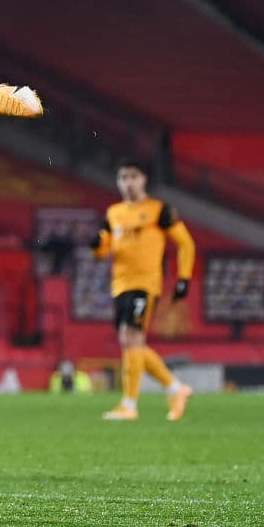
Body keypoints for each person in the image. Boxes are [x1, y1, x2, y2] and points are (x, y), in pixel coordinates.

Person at [90, 158, 195, 421]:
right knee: (131, 343)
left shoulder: (158, 210)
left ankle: (130, 405)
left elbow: (186, 243)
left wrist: (184, 278)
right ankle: (176, 388)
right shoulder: (114, 213)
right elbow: (103, 252)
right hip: (120, 284)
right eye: (123, 178)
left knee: (131, 338)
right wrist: (97, 246)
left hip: (145, 284)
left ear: (144, 179)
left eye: (133, 177)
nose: (128, 183)